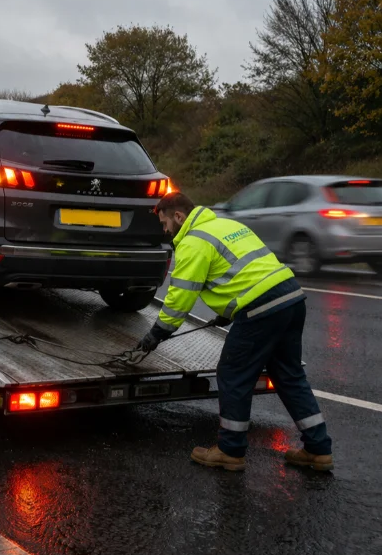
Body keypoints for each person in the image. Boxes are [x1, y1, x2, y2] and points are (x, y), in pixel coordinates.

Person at [133, 192, 333, 471]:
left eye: (165, 223)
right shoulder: (227, 226)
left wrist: (157, 333)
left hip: (261, 310)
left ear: (179, 216)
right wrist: (226, 313)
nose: (165, 231)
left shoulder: (193, 242)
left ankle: (230, 450)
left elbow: (180, 298)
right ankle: (319, 449)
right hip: (291, 298)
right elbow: (246, 272)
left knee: (232, 374)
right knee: (289, 374)